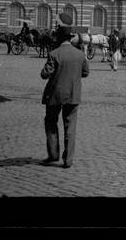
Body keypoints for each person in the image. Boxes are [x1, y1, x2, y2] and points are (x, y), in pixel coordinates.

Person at [40, 25, 90, 168]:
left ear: (59, 38)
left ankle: (53, 155)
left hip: (54, 94)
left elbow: (44, 74)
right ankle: (68, 160)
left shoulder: (54, 53)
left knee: (50, 123)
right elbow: (86, 73)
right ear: (69, 39)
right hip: (73, 94)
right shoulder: (80, 54)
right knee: (70, 126)